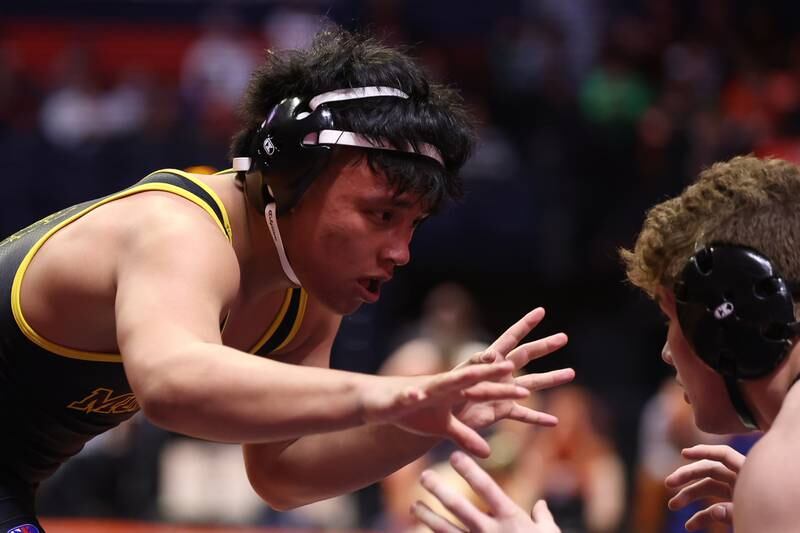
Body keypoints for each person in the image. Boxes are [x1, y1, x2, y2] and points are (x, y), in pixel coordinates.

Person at [0, 28, 575, 532]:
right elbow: (171, 383)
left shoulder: (305, 296)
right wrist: (386, 394)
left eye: (413, 224)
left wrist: (422, 421)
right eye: (380, 215)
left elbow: (283, 474)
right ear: (286, 175)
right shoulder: (177, 228)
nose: (401, 252)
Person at [414, 155, 800, 533]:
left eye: (672, 320)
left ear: (733, 317)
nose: (667, 351)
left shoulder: (782, 467)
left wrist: (770, 494)